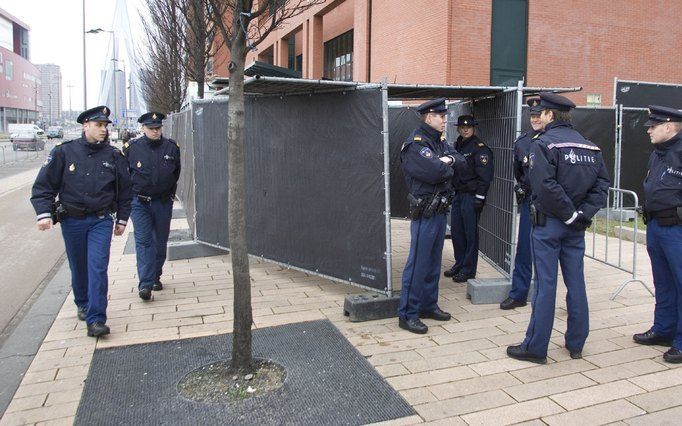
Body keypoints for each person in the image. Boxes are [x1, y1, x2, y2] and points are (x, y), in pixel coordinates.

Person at [507, 92, 609, 363]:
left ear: (551, 115)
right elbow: (601, 187)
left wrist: (568, 215)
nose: (539, 116)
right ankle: (576, 343)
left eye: (543, 113)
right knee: (576, 283)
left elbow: (545, 186)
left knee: (545, 284)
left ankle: (536, 347)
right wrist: (580, 215)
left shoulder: (544, 145)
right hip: (575, 226)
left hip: (550, 224)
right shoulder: (591, 147)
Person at [31, 106, 132, 338]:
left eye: (106, 125)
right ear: (85, 125)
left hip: (101, 220)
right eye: (98, 125)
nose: (103, 130)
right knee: (79, 266)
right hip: (72, 220)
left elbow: (125, 191)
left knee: (97, 266)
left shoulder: (114, 156)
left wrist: (123, 219)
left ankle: (96, 319)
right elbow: (43, 187)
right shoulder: (64, 152)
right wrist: (44, 213)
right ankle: (83, 302)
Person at [398, 98, 465, 334]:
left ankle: (428, 305)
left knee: (434, 262)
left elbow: (462, 162)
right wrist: (446, 164)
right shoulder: (416, 143)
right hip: (425, 211)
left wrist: (446, 161)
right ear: (428, 117)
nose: (445, 119)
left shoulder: (439, 142)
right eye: (440, 116)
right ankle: (408, 314)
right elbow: (434, 171)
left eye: (444, 115)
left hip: (439, 211)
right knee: (418, 263)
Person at [633, 105, 682, 363]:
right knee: (662, 281)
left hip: (676, 228)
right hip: (655, 226)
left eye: (653, 126)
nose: (649, 130)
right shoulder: (659, 153)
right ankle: (664, 329)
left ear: (669, 125)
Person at [123, 112, 181, 301]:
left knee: (160, 242)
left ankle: (156, 275)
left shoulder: (171, 147)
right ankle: (145, 284)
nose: (155, 132)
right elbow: (125, 177)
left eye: (158, 128)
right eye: (151, 129)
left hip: (163, 202)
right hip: (140, 202)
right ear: (143, 128)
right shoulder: (132, 148)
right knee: (144, 241)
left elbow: (176, 173)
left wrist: (170, 195)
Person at [500, 98, 545, 310]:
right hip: (530, 201)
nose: (535, 119)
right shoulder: (523, 141)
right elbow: (518, 172)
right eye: (532, 116)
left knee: (548, 252)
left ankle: (547, 297)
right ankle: (519, 293)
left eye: (539, 115)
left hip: (550, 203)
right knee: (524, 249)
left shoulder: (554, 139)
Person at [444, 115, 494, 283]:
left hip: (471, 196)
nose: (465, 129)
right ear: (458, 128)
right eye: (462, 127)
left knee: (470, 234)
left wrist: (480, 198)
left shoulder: (479, 148)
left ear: (473, 128)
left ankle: (468, 269)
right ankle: (459, 264)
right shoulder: (457, 145)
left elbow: (485, 177)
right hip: (458, 195)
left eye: (469, 127)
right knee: (457, 232)